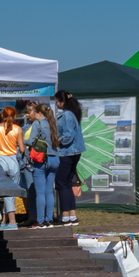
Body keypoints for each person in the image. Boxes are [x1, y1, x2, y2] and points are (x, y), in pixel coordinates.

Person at [0, 105, 24, 229]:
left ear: (2, 115)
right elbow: (22, 148)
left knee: (6, 192)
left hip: (0, 160)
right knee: (11, 192)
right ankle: (12, 221)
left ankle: (5, 221)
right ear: (15, 116)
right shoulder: (18, 129)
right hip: (13, 160)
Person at [53, 91, 84, 226]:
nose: (55, 103)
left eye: (57, 101)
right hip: (74, 152)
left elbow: (68, 135)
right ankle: (72, 215)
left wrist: (56, 141)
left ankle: (65, 215)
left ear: (62, 102)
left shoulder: (66, 115)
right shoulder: (72, 114)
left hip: (67, 152)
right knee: (67, 183)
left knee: (61, 183)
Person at [23, 102, 56, 227]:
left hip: (42, 160)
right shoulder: (53, 123)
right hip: (55, 159)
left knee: (40, 193)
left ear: (39, 113)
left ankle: (40, 221)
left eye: (35, 113)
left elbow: (31, 141)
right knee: (49, 192)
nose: (33, 115)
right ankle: (49, 219)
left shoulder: (38, 123)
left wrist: (20, 140)